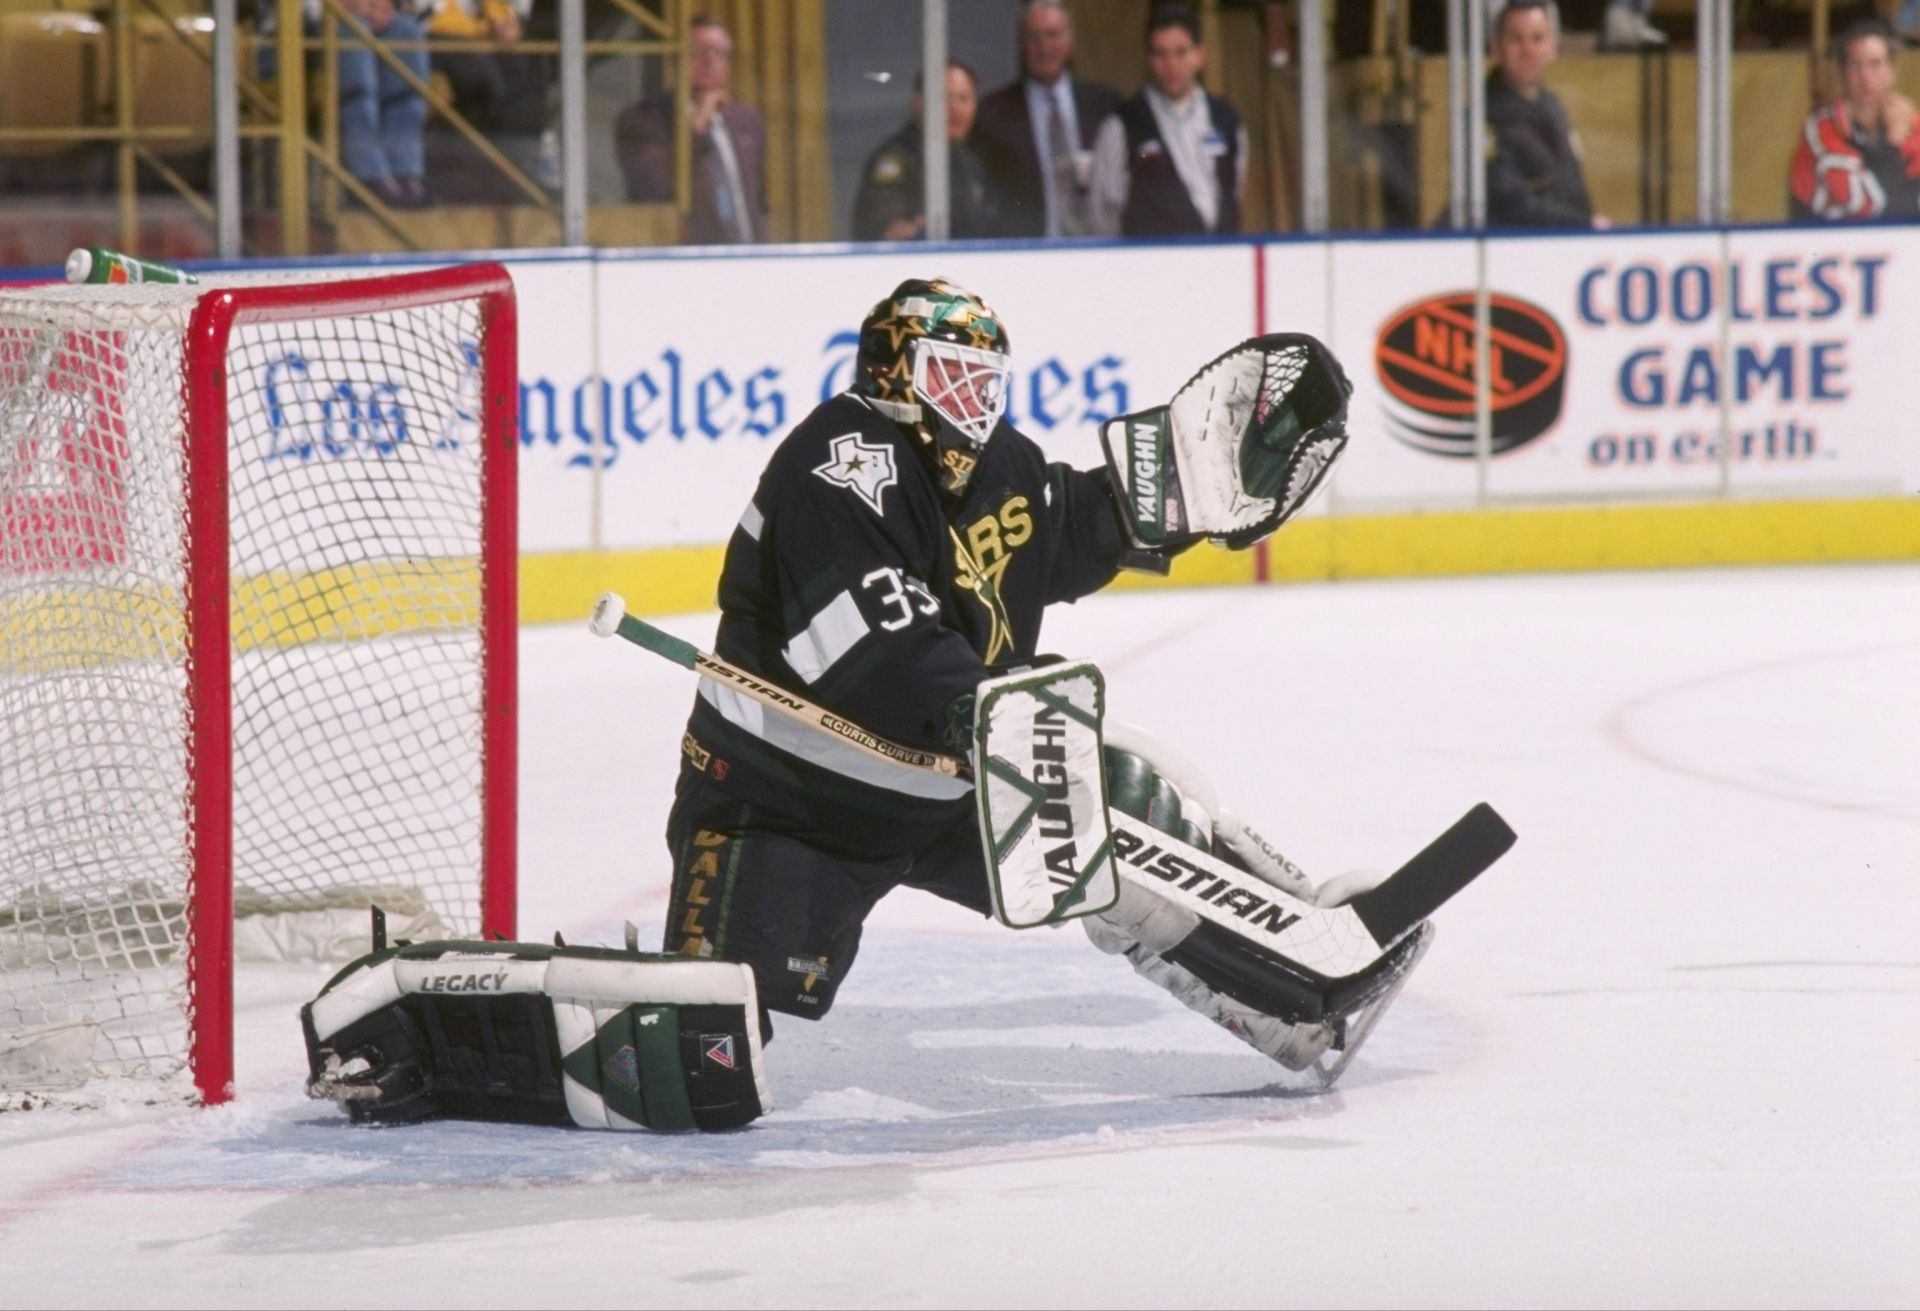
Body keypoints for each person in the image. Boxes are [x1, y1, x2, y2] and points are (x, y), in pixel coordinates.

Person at [1087, 4, 1247, 237]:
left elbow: (1234, 193)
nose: (1171, 65)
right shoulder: (1122, 125)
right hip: (1152, 264)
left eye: (1181, 52)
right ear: (1148, 59)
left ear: (1199, 56)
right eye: (1160, 53)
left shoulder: (1227, 120)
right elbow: (1103, 212)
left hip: (1218, 261)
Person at [971, 1, 1122, 238]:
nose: (1044, 47)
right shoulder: (994, 113)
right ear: (1022, 45)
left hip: (1096, 248)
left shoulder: (1104, 105)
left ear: (1071, 42)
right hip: (1027, 252)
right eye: (1033, 37)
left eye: (1052, 35)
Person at [259, 0, 430, 208]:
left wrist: (378, 6)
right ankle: (369, 173)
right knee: (353, 28)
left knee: (405, 30)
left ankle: (405, 169)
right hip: (293, 30)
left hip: (360, 19)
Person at [616, 15, 768, 244]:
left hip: (747, 256)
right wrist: (698, 124)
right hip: (687, 262)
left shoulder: (746, 120)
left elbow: (759, 200)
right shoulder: (644, 120)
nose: (710, 61)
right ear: (674, 59)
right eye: (698, 51)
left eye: (720, 53)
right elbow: (658, 187)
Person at [1483, 0, 1606, 229]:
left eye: (1537, 39)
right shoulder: (1484, 116)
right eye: (1516, 39)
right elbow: (1507, 202)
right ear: (1496, 48)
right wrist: (1580, 223)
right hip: (1513, 249)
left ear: (1552, 47)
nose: (1528, 50)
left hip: (1566, 246)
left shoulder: (1553, 107)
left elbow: (1573, 184)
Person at [1788, 17, 1920, 222]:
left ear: (1892, 71)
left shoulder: (1911, 124)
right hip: (1825, 246)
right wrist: (1892, 147)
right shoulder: (1822, 129)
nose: (1866, 77)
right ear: (1842, 73)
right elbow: (1865, 204)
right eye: (1856, 65)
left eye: (1875, 64)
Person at [417, 0, 551, 202]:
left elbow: (509, 15)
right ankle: (503, 170)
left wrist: (504, 22)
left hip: (486, 42)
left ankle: (522, 167)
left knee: (533, 72)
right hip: (438, 37)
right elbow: (427, 16)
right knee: (487, 79)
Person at [850, 62, 999, 241]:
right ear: (918, 103)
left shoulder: (972, 162)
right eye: (945, 98)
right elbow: (884, 221)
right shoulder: (899, 159)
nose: (956, 109)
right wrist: (898, 229)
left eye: (964, 98)